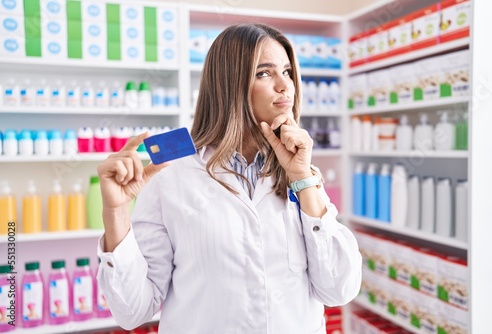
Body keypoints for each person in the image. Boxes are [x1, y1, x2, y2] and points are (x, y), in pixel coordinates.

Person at [96, 23, 362, 334]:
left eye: (287, 72)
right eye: (264, 73)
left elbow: (339, 289)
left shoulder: (298, 171)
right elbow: (133, 310)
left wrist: (303, 178)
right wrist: (115, 213)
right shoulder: (172, 174)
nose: (284, 85)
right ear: (228, 83)